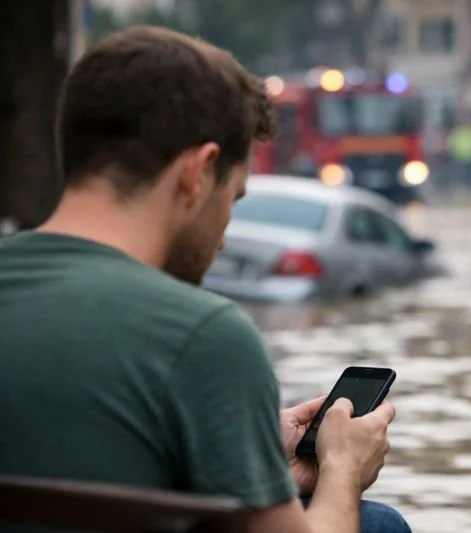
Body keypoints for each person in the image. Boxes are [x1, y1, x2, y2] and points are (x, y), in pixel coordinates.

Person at [0, 26, 410, 533]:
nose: (224, 235)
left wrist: (248, 454)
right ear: (198, 173)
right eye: (233, 198)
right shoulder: (202, 336)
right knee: (377, 524)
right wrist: (343, 471)